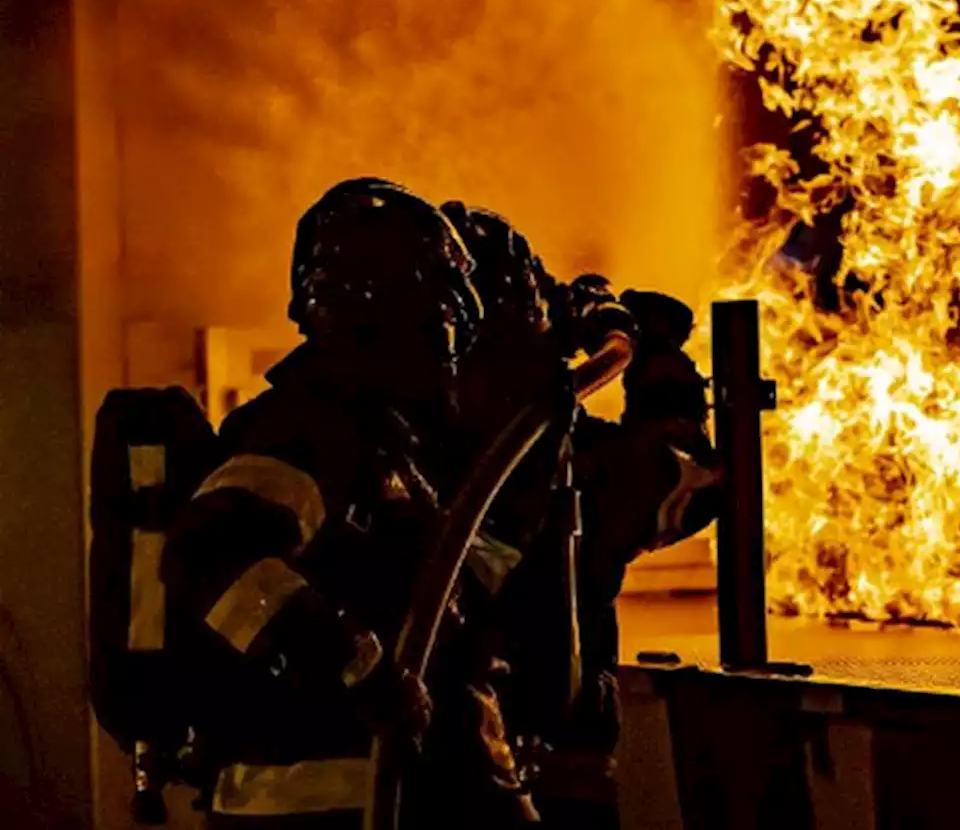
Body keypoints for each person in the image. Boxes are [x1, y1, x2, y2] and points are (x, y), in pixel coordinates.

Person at [162, 178, 540, 828]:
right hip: (327, 803)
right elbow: (210, 552)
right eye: (445, 318)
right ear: (404, 311)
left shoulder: (383, 442)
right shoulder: (309, 426)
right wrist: (359, 671)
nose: (449, 345)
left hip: (388, 795)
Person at [438, 203, 721, 829]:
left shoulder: (425, 438)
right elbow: (684, 485)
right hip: (527, 760)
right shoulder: (540, 453)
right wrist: (659, 368)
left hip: (491, 760)